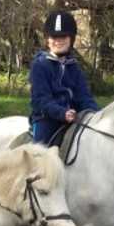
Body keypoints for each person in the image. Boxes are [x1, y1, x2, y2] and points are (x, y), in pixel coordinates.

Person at [29, 10, 100, 146]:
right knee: (40, 154)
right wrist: (62, 113)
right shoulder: (40, 65)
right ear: (47, 39)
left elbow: (83, 96)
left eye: (63, 37)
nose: (58, 41)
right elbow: (40, 100)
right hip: (46, 118)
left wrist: (96, 113)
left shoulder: (74, 67)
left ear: (71, 39)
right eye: (54, 37)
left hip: (74, 117)